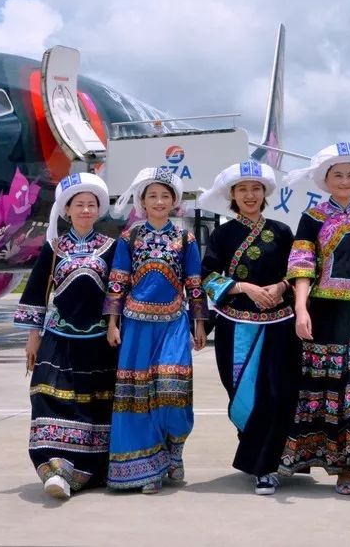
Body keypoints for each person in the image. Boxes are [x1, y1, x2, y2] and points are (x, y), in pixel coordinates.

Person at [278, 142, 350, 502]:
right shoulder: (312, 217)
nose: (345, 180)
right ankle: (340, 467)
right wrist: (301, 308)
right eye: (337, 174)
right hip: (323, 314)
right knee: (329, 393)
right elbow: (300, 265)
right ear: (325, 180)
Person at [104, 167, 209, 494]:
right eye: (153, 196)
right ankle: (148, 468)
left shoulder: (185, 238)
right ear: (142, 202)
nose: (159, 201)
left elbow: (194, 283)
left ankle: (174, 451)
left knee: (171, 391)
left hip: (174, 324)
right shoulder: (129, 237)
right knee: (138, 398)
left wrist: (199, 322)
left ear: (175, 202)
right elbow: (118, 281)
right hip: (135, 325)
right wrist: (112, 322)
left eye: (165, 196)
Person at [13, 172, 118, 500]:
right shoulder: (55, 248)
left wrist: (117, 326)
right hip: (58, 337)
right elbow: (36, 291)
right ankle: (55, 466)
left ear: (98, 210)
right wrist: (33, 335)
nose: (85, 210)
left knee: (94, 404)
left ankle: (85, 472)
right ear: (67, 210)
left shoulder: (112, 247)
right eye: (79, 205)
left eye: (91, 205)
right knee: (47, 395)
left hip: (99, 341)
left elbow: (117, 292)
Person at [199, 160, 298, 495]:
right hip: (235, 325)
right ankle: (260, 452)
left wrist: (282, 287)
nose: (250, 195)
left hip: (280, 324)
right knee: (242, 394)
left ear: (265, 192)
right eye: (243, 189)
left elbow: (300, 271)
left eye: (256, 189)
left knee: (276, 393)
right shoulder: (222, 234)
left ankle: (264, 466)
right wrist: (246, 289)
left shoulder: (283, 232)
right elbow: (207, 279)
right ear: (232, 195)